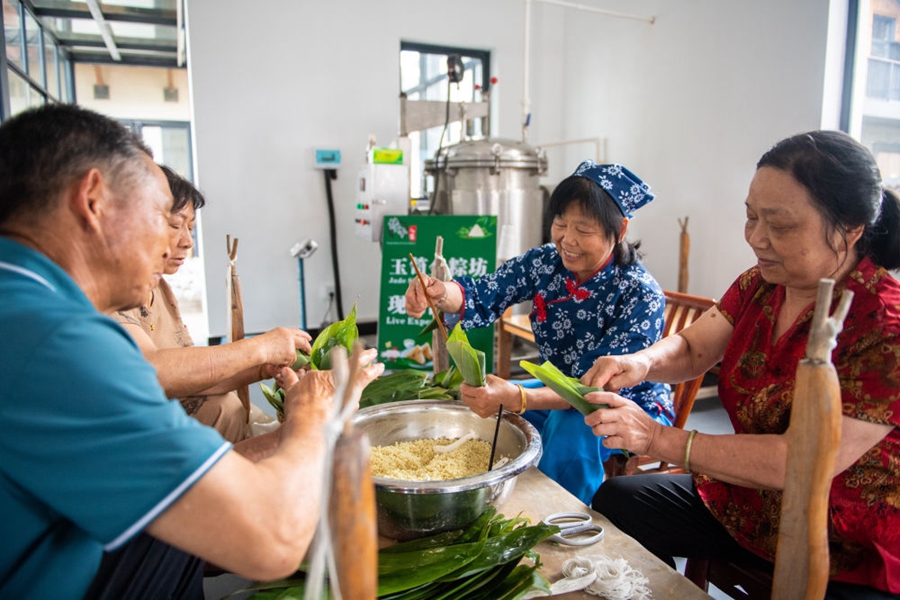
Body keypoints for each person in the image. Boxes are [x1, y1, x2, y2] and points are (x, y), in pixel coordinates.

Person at [0, 104, 383, 600]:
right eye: (163, 217)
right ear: (93, 200)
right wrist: (313, 416)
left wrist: (285, 437)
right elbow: (271, 538)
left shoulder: (25, 305)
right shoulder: (56, 342)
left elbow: (182, 483)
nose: (172, 245)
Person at [586, 130, 900, 597]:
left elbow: (797, 462)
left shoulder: (884, 326)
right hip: (747, 506)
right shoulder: (761, 283)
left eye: (780, 225)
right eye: (751, 217)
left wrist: (655, 438)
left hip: (845, 544)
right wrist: (641, 362)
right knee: (619, 500)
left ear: (851, 228)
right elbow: (693, 348)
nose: (756, 238)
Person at [405, 160, 672, 504]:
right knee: (486, 404)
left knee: (570, 426)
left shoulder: (640, 294)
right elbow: (486, 292)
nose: (567, 240)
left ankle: (562, 513)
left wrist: (520, 397)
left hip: (625, 403)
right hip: (557, 387)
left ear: (619, 230)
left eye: (584, 229)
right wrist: (440, 293)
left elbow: (593, 389)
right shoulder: (547, 262)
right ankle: (496, 493)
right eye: (560, 223)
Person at [113, 166, 310, 443]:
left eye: (190, 228)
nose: (187, 242)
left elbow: (192, 375)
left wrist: (262, 367)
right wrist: (260, 347)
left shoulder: (160, 287)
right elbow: (152, 372)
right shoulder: (111, 293)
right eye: (174, 226)